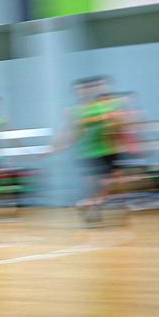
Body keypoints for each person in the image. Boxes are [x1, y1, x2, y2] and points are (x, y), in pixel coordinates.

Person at [55, 77, 124, 226]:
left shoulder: (104, 105)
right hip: (86, 152)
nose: (84, 92)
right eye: (80, 90)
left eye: (87, 88)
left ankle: (88, 204)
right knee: (94, 184)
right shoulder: (74, 111)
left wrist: (115, 123)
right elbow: (74, 129)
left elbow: (116, 124)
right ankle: (90, 207)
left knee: (109, 183)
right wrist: (60, 145)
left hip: (108, 150)